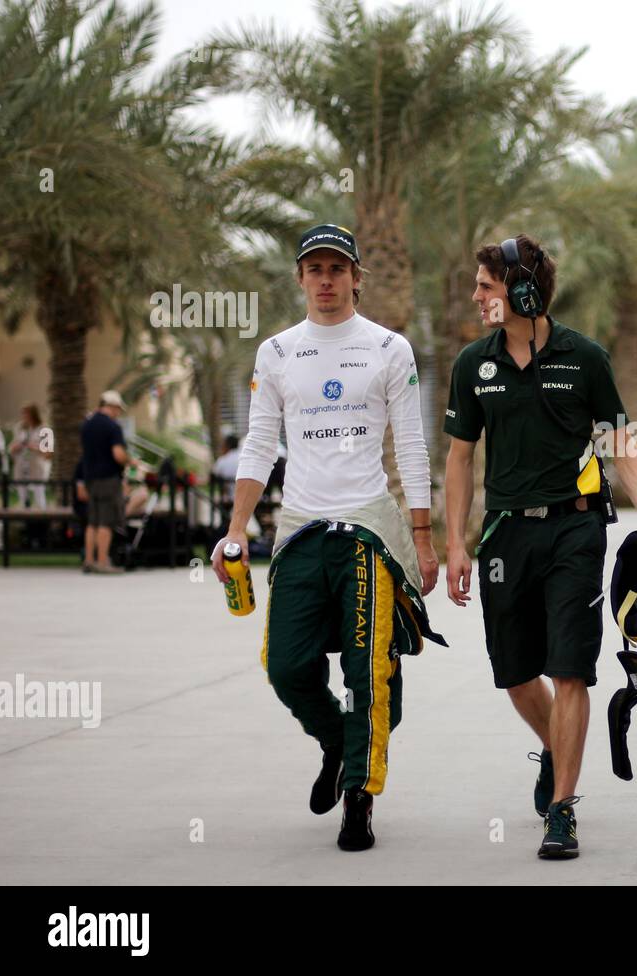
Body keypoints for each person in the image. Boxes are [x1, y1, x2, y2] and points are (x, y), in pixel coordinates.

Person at [211, 223, 444, 853]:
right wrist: (235, 530)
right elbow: (260, 443)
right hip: (300, 529)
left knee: (370, 673)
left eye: (337, 268)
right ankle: (338, 744)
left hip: (367, 527)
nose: (325, 279)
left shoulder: (389, 348)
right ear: (299, 278)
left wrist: (423, 540)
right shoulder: (278, 353)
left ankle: (359, 799)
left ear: (356, 278)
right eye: (314, 268)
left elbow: (412, 446)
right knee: (285, 666)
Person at [442, 234, 637, 860]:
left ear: (522, 291)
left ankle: (563, 808)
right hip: (505, 534)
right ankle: (556, 746)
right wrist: (455, 544)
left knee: (569, 667)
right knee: (516, 674)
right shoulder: (473, 365)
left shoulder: (585, 358)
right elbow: (460, 460)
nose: (477, 297)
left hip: (577, 529)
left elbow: (619, 440)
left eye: (486, 287)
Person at [80, 391, 132, 574]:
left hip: (90, 479)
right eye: (118, 409)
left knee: (92, 522)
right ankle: (102, 562)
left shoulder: (86, 424)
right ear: (113, 407)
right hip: (109, 478)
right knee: (106, 522)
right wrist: (129, 461)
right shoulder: (112, 426)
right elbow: (117, 454)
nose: (118, 413)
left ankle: (88, 560)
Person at [11, 403, 53, 509]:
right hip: (22, 466)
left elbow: (49, 453)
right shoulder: (20, 428)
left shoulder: (45, 429)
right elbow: (12, 447)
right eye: (23, 414)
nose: (24, 417)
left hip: (37, 467)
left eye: (26, 414)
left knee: (39, 494)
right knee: (22, 494)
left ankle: (41, 519)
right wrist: (16, 447)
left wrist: (35, 447)